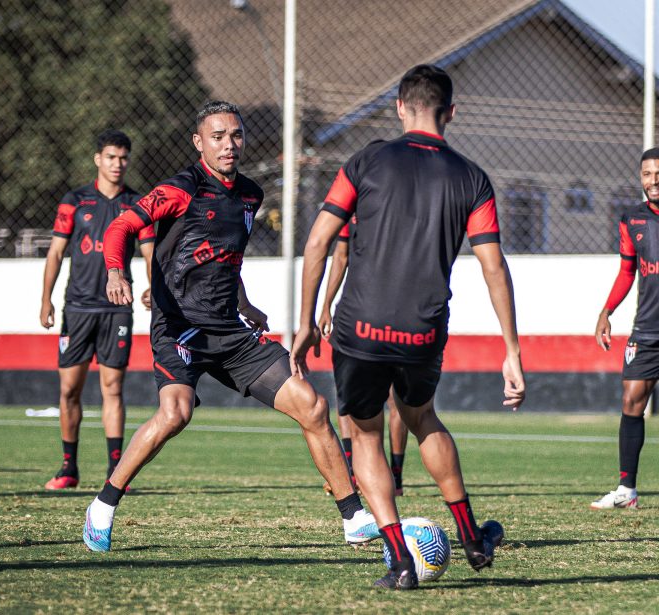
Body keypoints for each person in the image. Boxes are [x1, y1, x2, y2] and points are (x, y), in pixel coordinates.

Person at [82, 100, 379, 554]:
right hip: (180, 328)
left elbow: (224, 257)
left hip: (231, 331)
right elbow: (121, 227)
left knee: (312, 406)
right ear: (199, 142)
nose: (229, 144)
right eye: (217, 136)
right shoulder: (180, 189)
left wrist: (245, 303)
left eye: (236, 135)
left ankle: (354, 519)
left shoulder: (250, 195)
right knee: (176, 414)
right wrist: (115, 272)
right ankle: (103, 505)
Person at [292, 65, 525, 591]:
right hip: (422, 329)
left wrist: (306, 323)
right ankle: (471, 537)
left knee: (366, 433)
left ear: (400, 107)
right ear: (451, 112)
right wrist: (511, 350)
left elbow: (316, 244)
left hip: (359, 328)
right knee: (422, 417)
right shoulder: (472, 177)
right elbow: (494, 266)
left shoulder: (367, 159)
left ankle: (400, 562)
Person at [40, 130, 154, 490]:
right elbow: (56, 253)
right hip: (77, 308)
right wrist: (47, 299)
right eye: (110, 157)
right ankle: (68, 468)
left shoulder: (138, 204)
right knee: (69, 390)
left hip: (117, 309)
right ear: (97, 159)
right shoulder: (74, 201)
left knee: (112, 388)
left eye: (123, 158)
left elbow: (150, 252)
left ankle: (115, 472)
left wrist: (152, 285)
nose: (117, 164)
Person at [319, 220, 409, 497]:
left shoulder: (407, 208)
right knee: (346, 391)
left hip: (399, 310)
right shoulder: (352, 208)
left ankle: (395, 474)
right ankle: (352, 470)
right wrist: (325, 307)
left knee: (397, 398)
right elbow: (340, 256)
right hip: (356, 311)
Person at [591, 147, 659, 510]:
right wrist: (606, 310)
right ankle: (626, 491)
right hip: (647, 330)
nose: (653, 180)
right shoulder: (631, 220)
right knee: (632, 400)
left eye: (658, 172)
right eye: (647, 174)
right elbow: (626, 271)